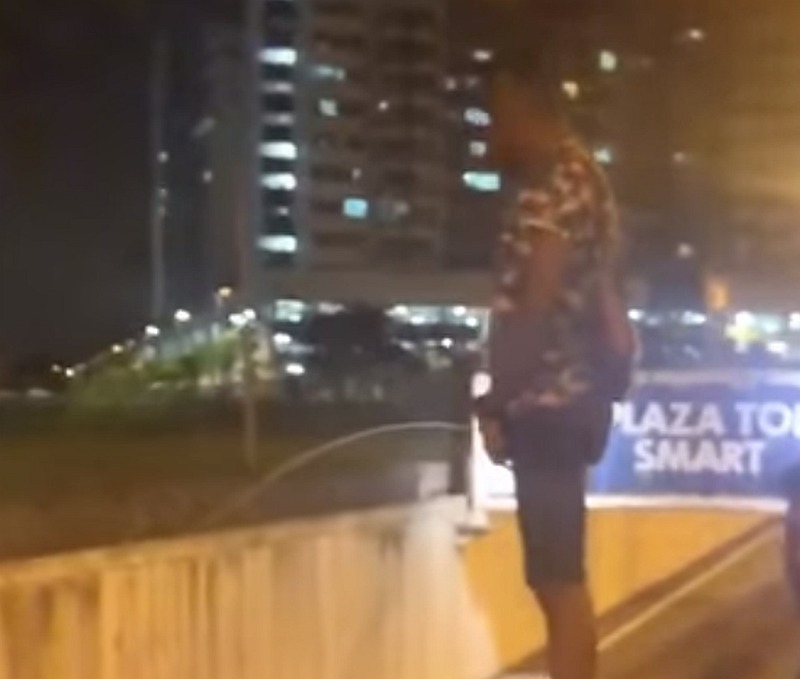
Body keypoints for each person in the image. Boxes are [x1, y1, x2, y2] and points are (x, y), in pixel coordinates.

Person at [475, 68, 635, 679]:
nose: (493, 136)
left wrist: (497, 400)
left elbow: (537, 303)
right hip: (570, 402)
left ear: (523, 111)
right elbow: (605, 301)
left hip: (548, 407)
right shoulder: (587, 180)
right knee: (558, 577)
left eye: (497, 119)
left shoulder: (554, 189)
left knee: (557, 581)